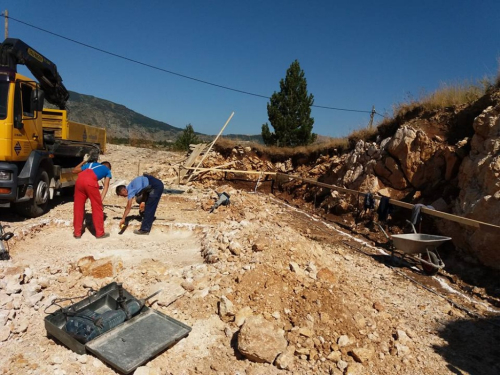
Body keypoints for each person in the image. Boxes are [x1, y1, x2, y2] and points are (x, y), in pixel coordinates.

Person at [72, 159, 112, 239]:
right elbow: (106, 186)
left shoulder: (90, 164)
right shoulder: (107, 170)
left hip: (79, 182)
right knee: (97, 208)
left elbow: (74, 171)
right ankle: (100, 233)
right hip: (90, 183)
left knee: (78, 207)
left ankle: (77, 233)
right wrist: (100, 200)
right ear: (108, 167)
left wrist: (83, 161)